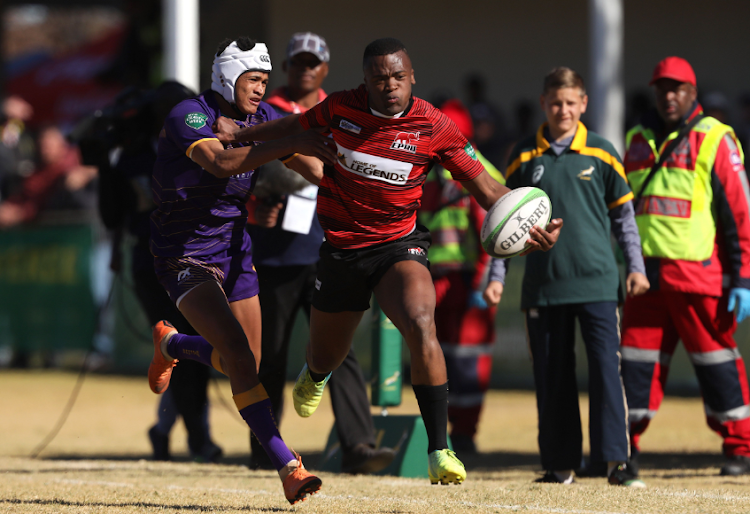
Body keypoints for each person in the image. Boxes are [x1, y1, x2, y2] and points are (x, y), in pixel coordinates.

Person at [212, 37, 563, 485]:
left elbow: (492, 193)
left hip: (399, 244)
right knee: (326, 354)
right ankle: (316, 371)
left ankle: (440, 449)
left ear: (412, 77)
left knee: (421, 323)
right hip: (341, 249)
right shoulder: (341, 108)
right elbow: (294, 125)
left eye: (399, 77)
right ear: (366, 82)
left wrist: (531, 229)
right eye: (380, 79)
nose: (390, 86)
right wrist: (237, 134)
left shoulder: (435, 127)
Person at [146, 36, 336, 504]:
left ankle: (172, 344)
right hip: (183, 255)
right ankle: (288, 465)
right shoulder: (188, 114)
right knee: (233, 349)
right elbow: (221, 162)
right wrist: (285, 140)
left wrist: (351, 183)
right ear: (229, 77)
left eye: (266, 81)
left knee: (244, 362)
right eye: (254, 80)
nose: (260, 89)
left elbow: (312, 167)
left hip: (235, 252)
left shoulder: (262, 118)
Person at [484, 67, 649, 487]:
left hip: (597, 283)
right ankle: (560, 466)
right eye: (556, 103)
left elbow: (625, 219)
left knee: (606, 374)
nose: (563, 110)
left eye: (571, 103)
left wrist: (636, 267)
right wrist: (496, 275)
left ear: (584, 104)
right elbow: (503, 224)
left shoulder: (604, 152)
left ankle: (616, 463)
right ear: (544, 103)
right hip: (543, 288)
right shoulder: (522, 155)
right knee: (552, 376)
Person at [246, 32, 395, 474]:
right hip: (274, 256)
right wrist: (257, 207)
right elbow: (239, 169)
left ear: (325, 69)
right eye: (297, 62)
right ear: (287, 67)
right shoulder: (265, 111)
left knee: (340, 350)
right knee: (270, 356)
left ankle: (358, 447)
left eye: (313, 63)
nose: (305, 69)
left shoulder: (342, 114)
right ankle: (264, 450)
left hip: (330, 249)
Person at [619, 56, 750, 477]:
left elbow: (740, 214)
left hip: (698, 277)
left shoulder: (716, 138)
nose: (668, 96)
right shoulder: (636, 138)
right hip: (645, 279)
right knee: (634, 369)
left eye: (677, 88)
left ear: (693, 93)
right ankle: (621, 447)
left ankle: (741, 448)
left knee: (717, 366)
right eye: (662, 88)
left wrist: (743, 277)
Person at [92, 82, 223, 463]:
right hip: (149, 263)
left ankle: (164, 429)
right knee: (180, 343)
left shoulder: (201, 150)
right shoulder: (130, 159)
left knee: (189, 347)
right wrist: (104, 165)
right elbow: (112, 216)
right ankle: (200, 440)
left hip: (196, 259)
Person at [418, 98, 503, 454]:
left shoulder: (476, 171)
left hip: (469, 282)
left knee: (469, 362)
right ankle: (444, 433)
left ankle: (465, 434)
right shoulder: (429, 171)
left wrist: (483, 283)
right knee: (437, 357)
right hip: (434, 279)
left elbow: (493, 235)